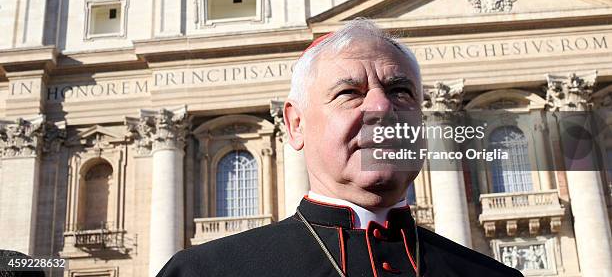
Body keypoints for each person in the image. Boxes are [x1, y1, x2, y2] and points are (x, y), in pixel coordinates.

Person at [156, 19, 522, 276]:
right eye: (350, 93)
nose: (381, 108)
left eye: (400, 92)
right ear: (296, 125)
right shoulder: (203, 272)